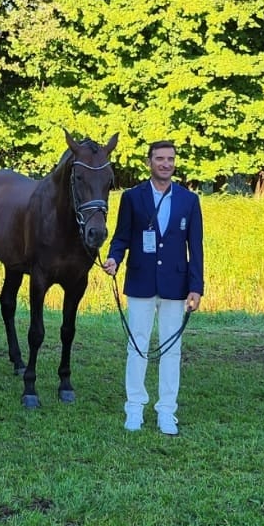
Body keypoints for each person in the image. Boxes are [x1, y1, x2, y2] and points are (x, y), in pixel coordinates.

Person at [102, 140, 204, 436]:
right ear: (149, 162)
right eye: (159, 158)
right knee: (137, 347)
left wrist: (196, 287)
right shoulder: (133, 197)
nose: (165, 163)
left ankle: (166, 412)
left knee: (172, 351)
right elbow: (121, 237)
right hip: (141, 281)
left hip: (176, 285)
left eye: (170, 159)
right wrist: (114, 259)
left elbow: (195, 248)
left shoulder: (189, 200)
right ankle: (134, 408)